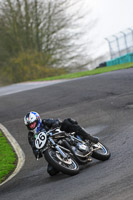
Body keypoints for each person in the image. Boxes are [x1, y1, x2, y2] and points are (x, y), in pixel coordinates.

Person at [24, 111, 99, 176]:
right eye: (30, 125)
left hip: (60, 135)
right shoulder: (31, 136)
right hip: (51, 148)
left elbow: (57, 121)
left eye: (33, 124)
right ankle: (67, 162)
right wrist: (37, 152)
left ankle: (90, 138)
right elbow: (34, 148)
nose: (31, 126)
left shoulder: (44, 122)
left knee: (68, 122)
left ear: (37, 120)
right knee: (51, 171)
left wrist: (53, 127)